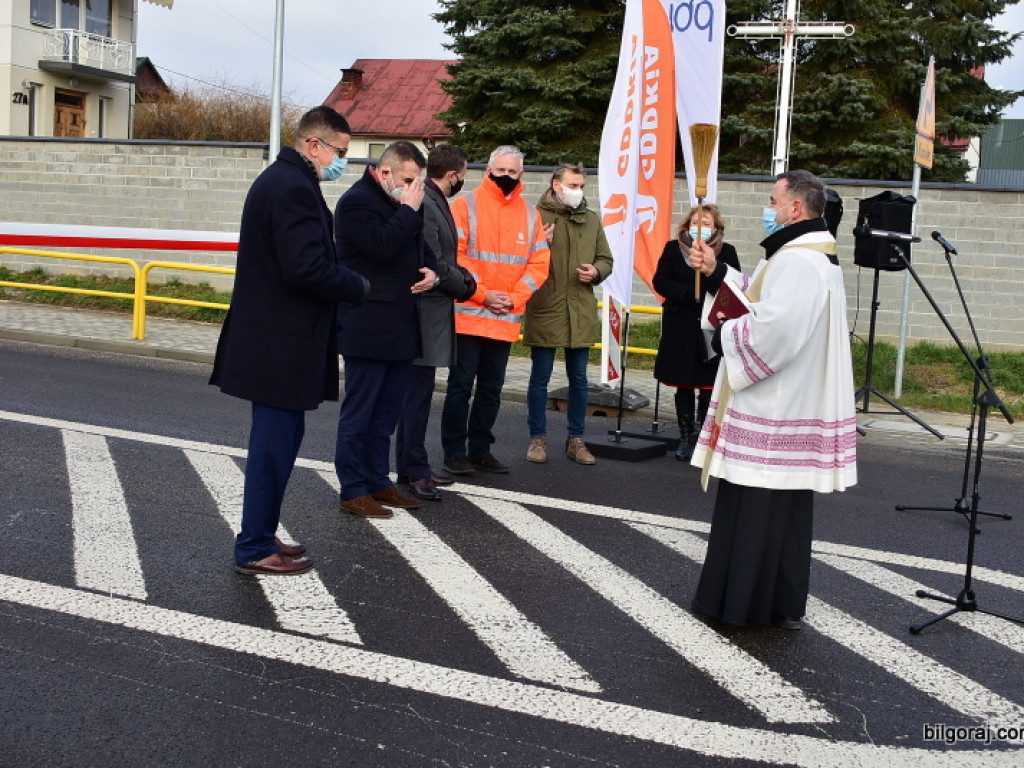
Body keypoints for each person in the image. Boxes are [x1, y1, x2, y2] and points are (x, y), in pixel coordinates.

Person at [688, 170, 858, 630]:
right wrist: (717, 271)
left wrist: (724, 334)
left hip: (775, 406)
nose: (768, 209)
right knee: (782, 513)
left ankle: (741, 605)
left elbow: (775, 329)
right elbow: (759, 297)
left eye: (772, 201)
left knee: (757, 506)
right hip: (789, 402)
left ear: (794, 208)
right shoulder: (804, 252)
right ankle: (775, 602)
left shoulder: (800, 260)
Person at [210, 106, 369, 575]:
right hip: (280, 344)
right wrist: (356, 286)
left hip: (276, 341)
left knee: (280, 442)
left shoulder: (284, 180)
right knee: (273, 448)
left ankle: (261, 531)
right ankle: (254, 545)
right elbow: (305, 268)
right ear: (314, 145)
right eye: (341, 151)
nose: (343, 161)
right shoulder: (292, 187)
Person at [333, 141, 438, 518]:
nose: (414, 188)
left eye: (418, 181)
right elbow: (381, 246)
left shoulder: (403, 203)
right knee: (360, 413)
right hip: (367, 325)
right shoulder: (356, 202)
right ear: (384, 172)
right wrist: (408, 209)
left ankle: (378, 480)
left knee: (386, 414)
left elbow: (419, 248)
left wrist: (432, 271)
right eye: (408, 180)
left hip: (400, 325)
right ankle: (353, 489)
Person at [440, 145, 551, 476]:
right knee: (460, 387)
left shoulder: (530, 214)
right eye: (500, 170)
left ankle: (480, 450)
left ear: (521, 174)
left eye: (512, 171)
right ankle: (454, 451)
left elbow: (539, 264)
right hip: (469, 315)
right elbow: (455, 256)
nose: (506, 176)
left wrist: (514, 299)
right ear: (488, 170)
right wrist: (484, 295)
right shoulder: (466, 205)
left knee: (491, 390)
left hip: (504, 317)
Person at [394, 144, 477, 501]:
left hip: (431, 312)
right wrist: (467, 285)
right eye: (464, 175)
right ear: (454, 174)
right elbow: (432, 261)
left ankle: (414, 465)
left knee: (420, 394)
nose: (463, 181)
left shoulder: (434, 199)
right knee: (416, 396)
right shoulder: (427, 202)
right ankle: (413, 469)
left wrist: (461, 276)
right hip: (423, 313)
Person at [523, 163, 613, 466]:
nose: (578, 191)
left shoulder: (591, 219)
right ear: (556, 185)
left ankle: (576, 440)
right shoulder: (535, 217)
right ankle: (537, 439)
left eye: (581, 186)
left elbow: (606, 258)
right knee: (540, 378)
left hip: (580, 309)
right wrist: (541, 245)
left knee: (579, 380)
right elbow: (519, 259)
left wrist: (597, 271)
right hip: (546, 306)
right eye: (573, 185)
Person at [653, 204, 740, 462]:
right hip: (680, 324)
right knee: (683, 384)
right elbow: (661, 281)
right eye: (695, 222)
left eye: (706, 223)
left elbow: (733, 284)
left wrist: (710, 281)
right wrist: (686, 294)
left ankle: (704, 437)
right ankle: (685, 436)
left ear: (716, 227)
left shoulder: (727, 251)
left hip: (709, 327)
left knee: (707, 386)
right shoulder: (673, 249)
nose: (700, 227)